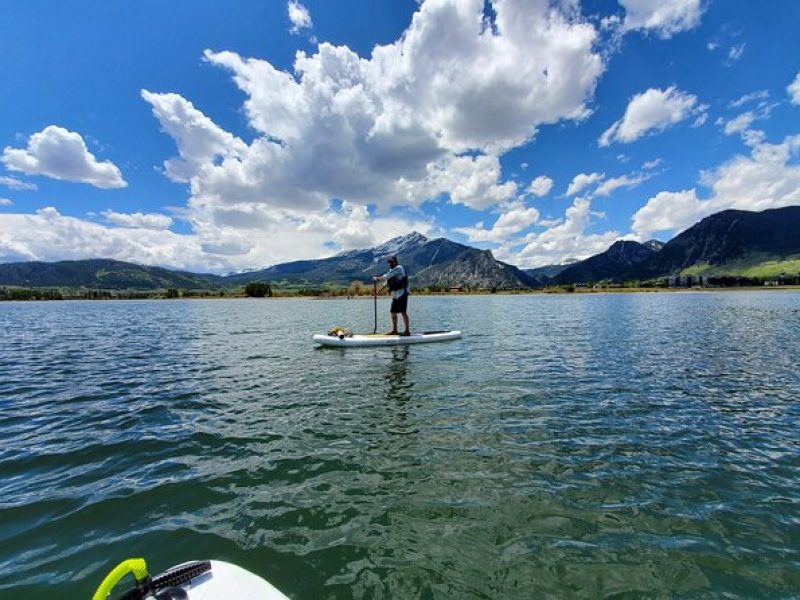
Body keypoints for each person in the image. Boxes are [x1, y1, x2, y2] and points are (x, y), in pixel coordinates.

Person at [373, 255, 411, 336]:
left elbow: (386, 276)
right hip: (396, 295)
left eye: (392, 262)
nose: (390, 263)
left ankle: (407, 331)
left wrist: (378, 278)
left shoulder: (399, 268)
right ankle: (394, 330)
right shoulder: (392, 270)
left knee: (403, 312)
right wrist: (378, 291)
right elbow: (387, 282)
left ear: (396, 262)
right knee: (393, 312)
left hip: (403, 293)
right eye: (389, 262)